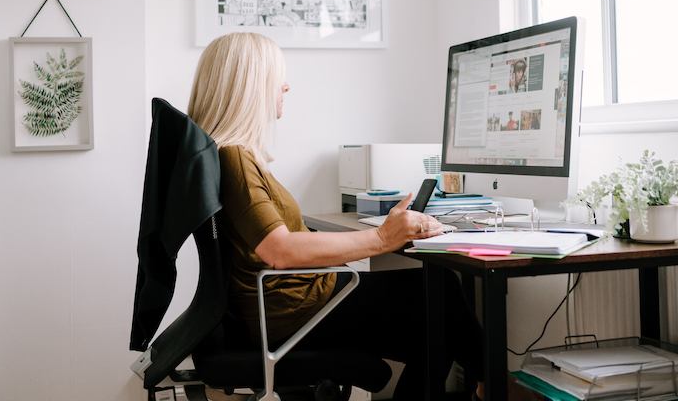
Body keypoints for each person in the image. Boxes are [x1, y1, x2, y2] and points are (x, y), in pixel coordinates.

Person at [187, 32, 484, 400]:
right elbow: (280, 250)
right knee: (440, 295)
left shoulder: (227, 154)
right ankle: (491, 383)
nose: (286, 86)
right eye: (276, 77)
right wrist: (381, 238)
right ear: (250, 86)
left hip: (286, 302)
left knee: (433, 324)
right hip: (292, 309)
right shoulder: (234, 158)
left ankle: (481, 381)